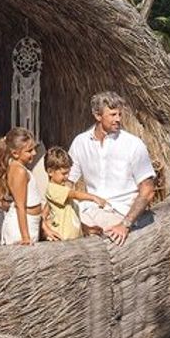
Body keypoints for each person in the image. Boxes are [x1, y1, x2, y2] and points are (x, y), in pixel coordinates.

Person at [67, 90, 156, 247]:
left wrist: (125, 224)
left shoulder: (133, 145)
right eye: (113, 115)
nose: (118, 119)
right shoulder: (81, 142)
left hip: (119, 213)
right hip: (87, 210)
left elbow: (148, 191)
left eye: (120, 115)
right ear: (97, 116)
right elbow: (66, 182)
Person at [38, 145, 101, 242]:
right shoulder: (53, 189)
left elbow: (72, 216)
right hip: (63, 238)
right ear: (50, 172)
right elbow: (74, 194)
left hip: (74, 239)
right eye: (63, 173)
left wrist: (87, 228)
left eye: (68, 173)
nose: (67, 177)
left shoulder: (62, 190)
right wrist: (93, 197)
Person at [0, 128, 42, 245]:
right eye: (29, 150)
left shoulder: (20, 168)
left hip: (31, 223)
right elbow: (20, 206)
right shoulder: (19, 171)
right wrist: (25, 236)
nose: (34, 153)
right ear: (15, 153)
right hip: (21, 228)